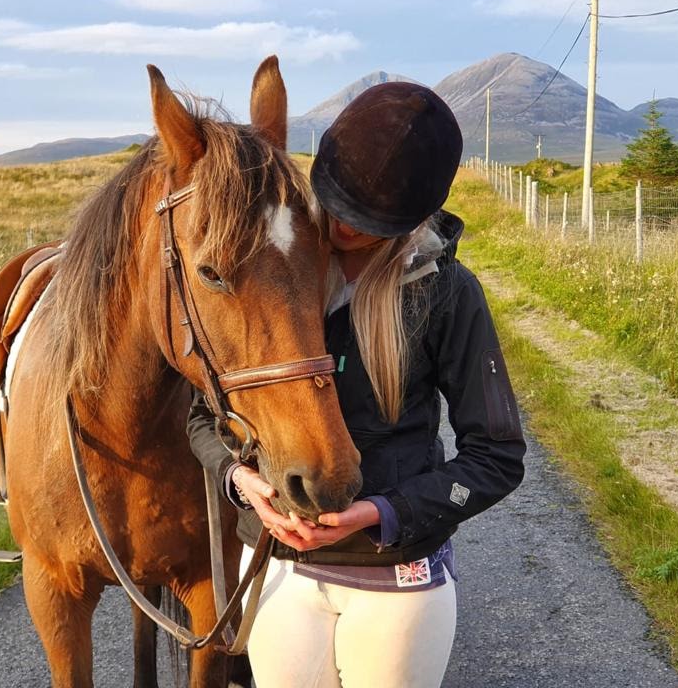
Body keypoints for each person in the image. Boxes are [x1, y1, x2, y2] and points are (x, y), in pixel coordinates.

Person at [187, 82, 526, 687]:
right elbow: (200, 416)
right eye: (336, 204)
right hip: (275, 569)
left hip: (393, 576)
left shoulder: (445, 292)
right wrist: (244, 483)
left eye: (368, 222)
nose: (342, 227)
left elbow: (497, 457)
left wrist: (378, 511)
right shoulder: (269, 268)